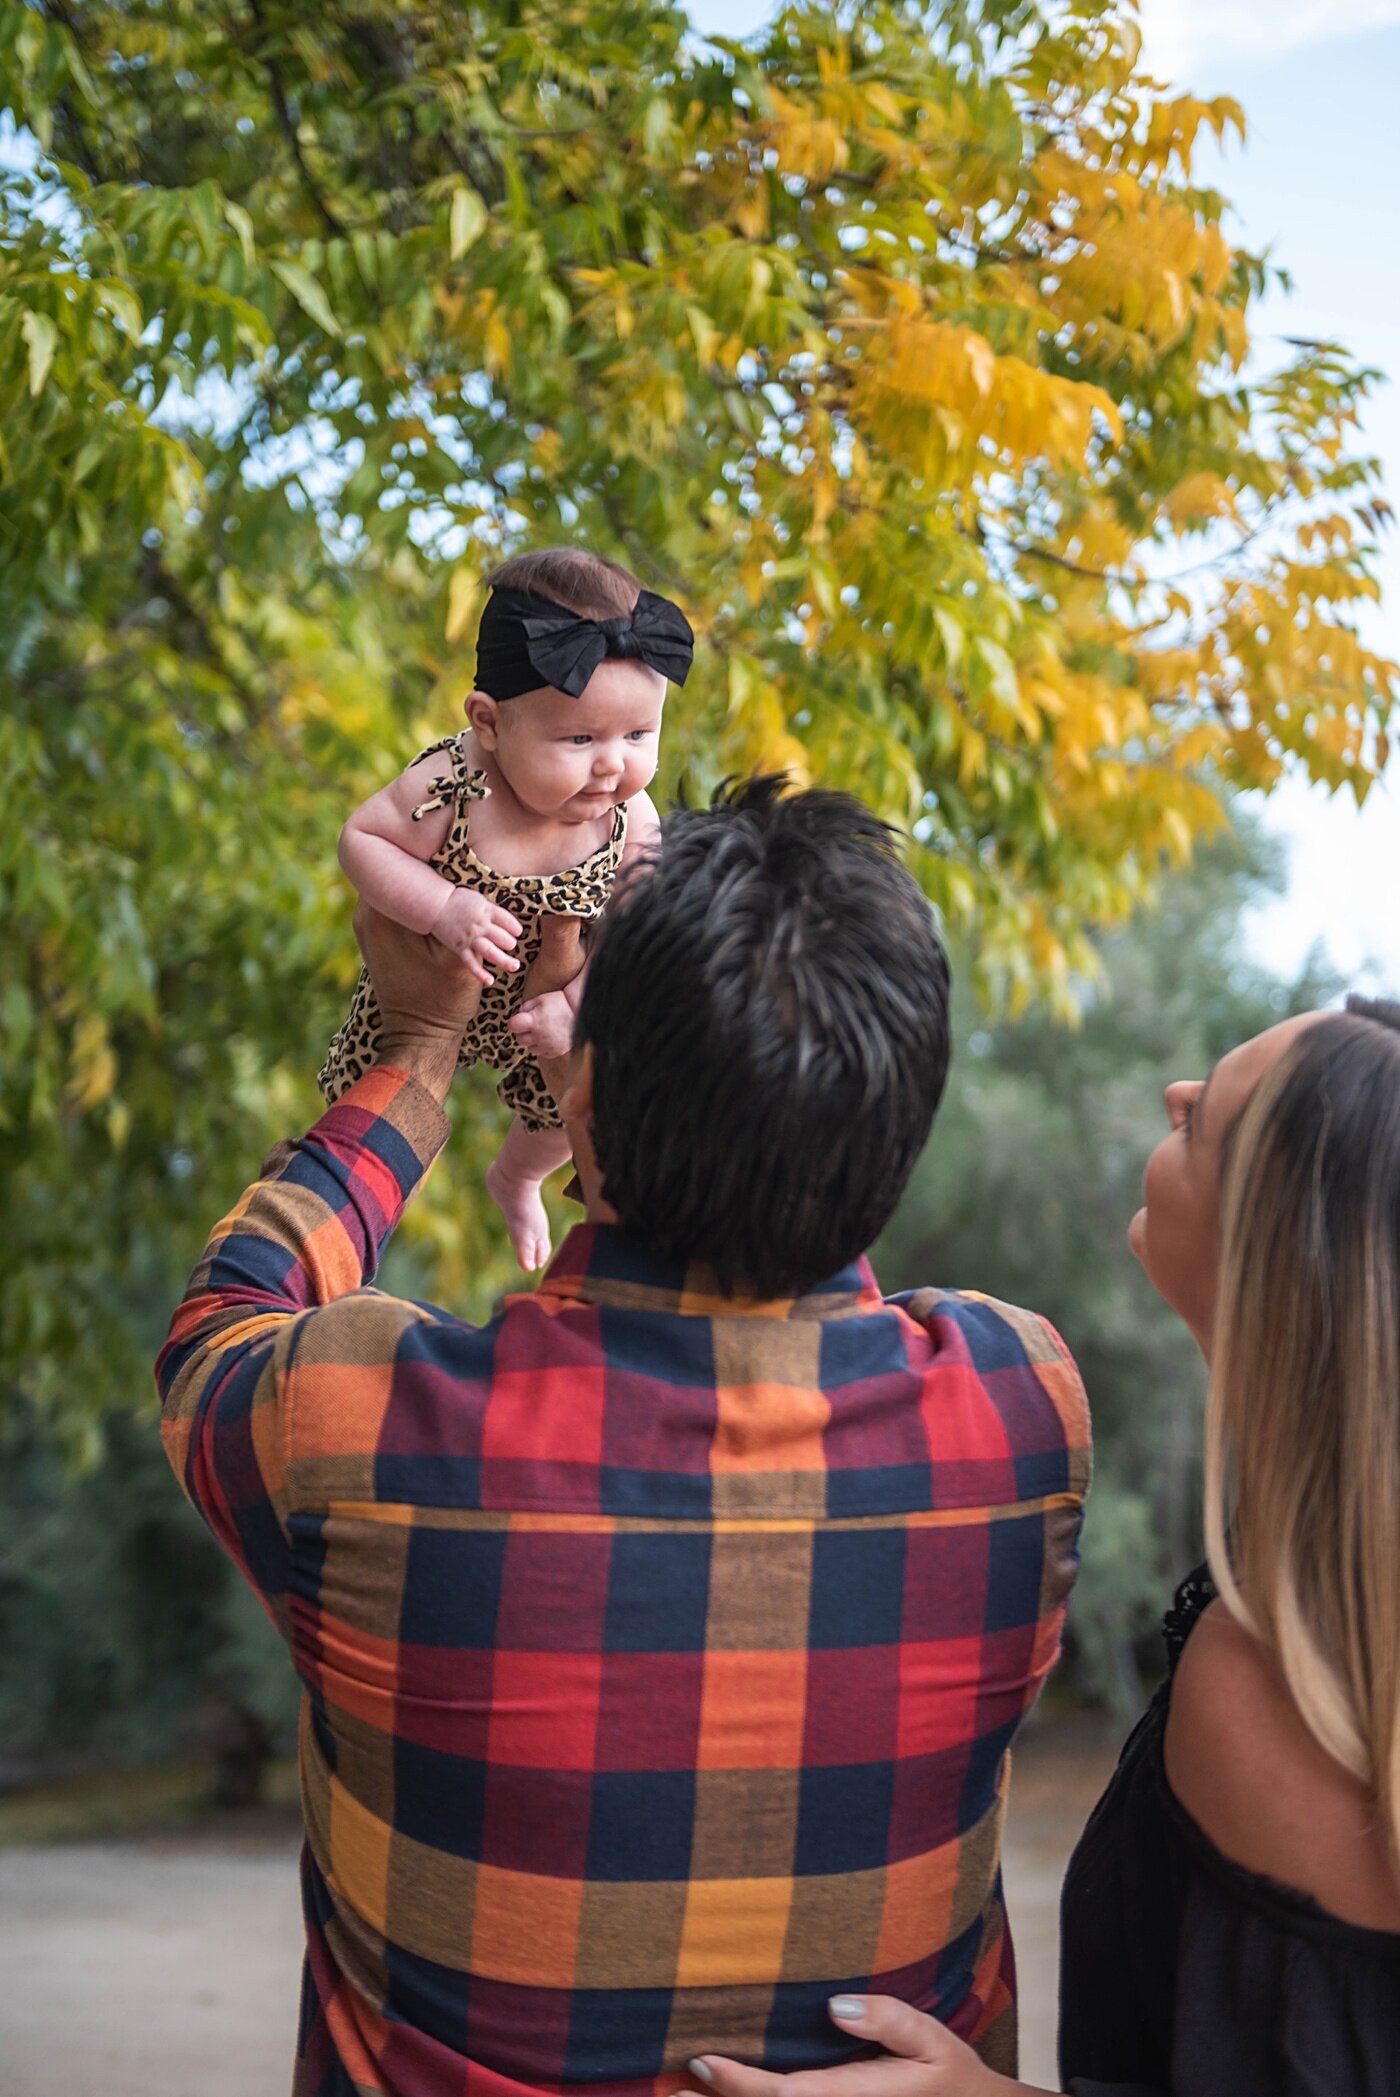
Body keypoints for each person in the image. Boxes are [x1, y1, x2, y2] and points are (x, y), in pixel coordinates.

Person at [157, 779, 1091, 2097]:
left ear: (577, 1088)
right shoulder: (1022, 1411)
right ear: (905, 1110)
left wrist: (422, 1051)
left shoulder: (357, 1431)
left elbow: (224, 1316)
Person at [690, 997, 1400, 2097]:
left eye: (1203, 1116)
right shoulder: (1321, 1614)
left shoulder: (1275, 1680)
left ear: (1273, 1244)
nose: (1173, 1095)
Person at [320, 545, 694, 1270]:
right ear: (489, 724)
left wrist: (579, 1001)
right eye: (579, 738)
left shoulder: (630, 818)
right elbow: (360, 840)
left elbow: (641, 934)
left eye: (639, 735)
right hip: (430, 978)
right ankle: (346, 1214)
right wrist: (441, 906)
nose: (613, 764)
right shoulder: (453, 787)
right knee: (371, 1099)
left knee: (583, 1098)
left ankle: (519, 1176)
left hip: (552, 997)